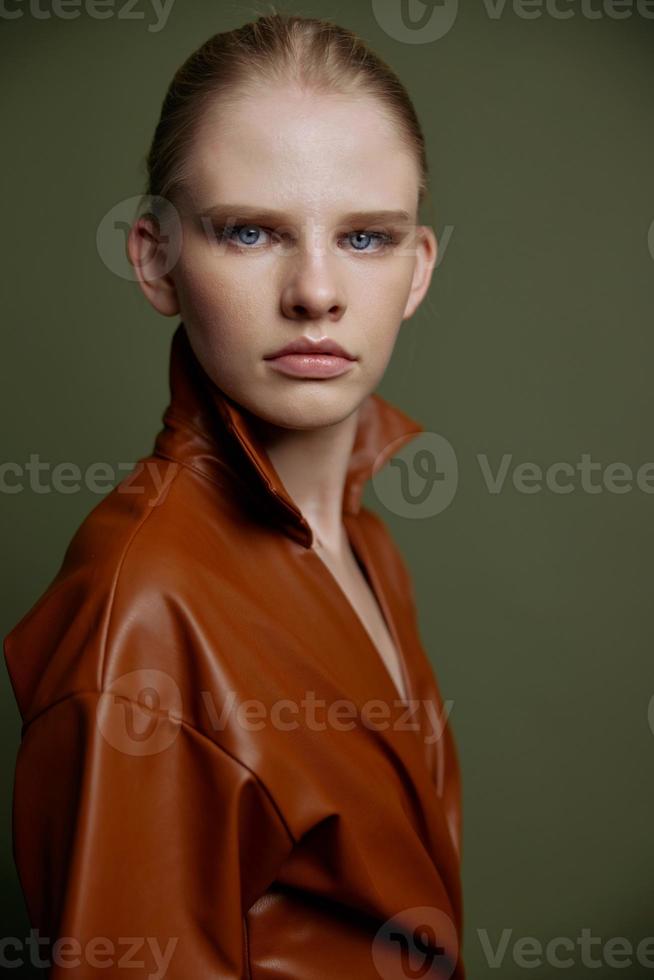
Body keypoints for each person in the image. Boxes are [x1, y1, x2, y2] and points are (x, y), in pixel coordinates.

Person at [4, 11, 465, 979]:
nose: (316, 290)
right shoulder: (141, 610)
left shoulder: (367, 537)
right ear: (155, 257)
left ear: (417, 269)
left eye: (366, 237)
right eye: (250, 230)